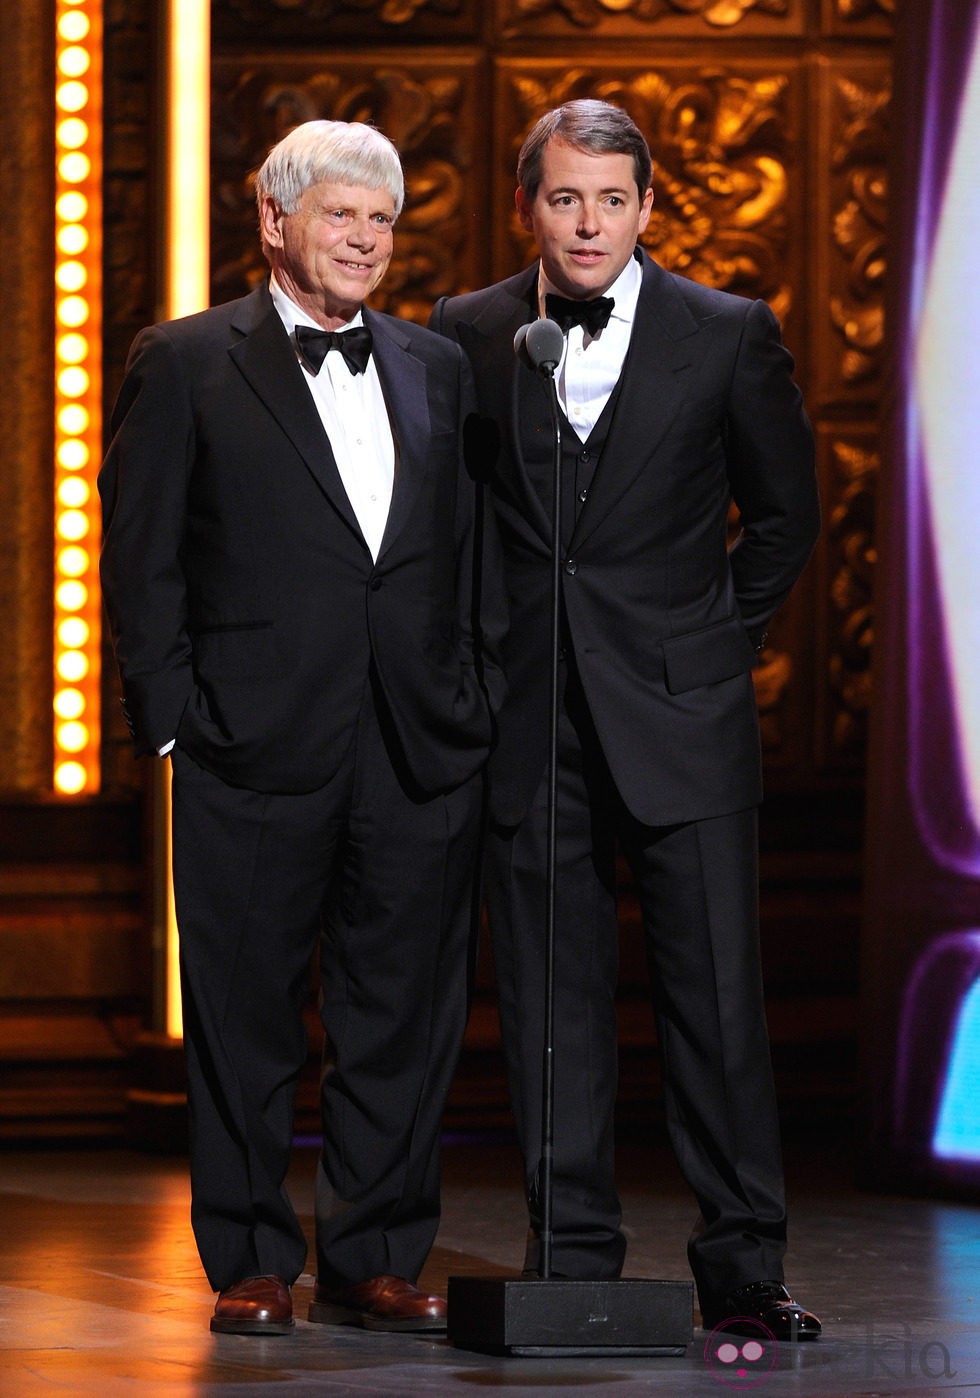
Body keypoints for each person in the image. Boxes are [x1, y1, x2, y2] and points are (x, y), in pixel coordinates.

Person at [99, 119, 505, 1337]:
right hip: (248, 742)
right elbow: (139, 555)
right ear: (273, 221)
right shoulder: (182, 360)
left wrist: (472, 699)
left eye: (381, 222)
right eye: (342, 216)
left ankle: (375, 1257)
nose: (367, 242)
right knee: (243, 1014)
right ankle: (252, 1260)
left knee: (400, 1015)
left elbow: (467, 552)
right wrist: (170, 722)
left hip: (418, 744)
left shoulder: (436, 367)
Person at [429, 98, 822, 1340]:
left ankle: (743, 1263)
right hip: (529, 718)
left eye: (610, 199)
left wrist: (712, 643)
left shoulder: (726, 334)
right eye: (563, 198)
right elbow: (455, 526)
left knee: (714, 1003)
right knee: (549, 1004)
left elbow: (783, 518)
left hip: (682, 716)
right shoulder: (470, 332)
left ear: (648, 209)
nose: (587, 222)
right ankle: (575, 1254)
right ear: (526, 207)